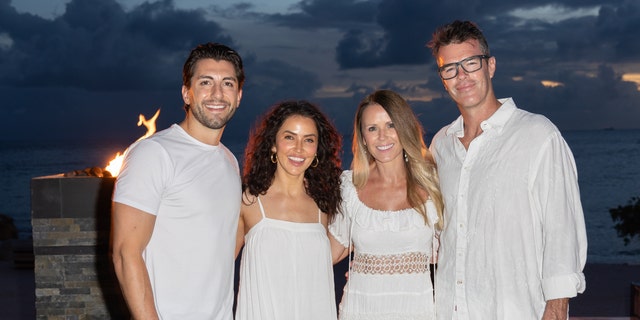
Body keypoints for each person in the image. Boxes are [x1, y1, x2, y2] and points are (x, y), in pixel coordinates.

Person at [427, 20, 588, 319]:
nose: (461, 75)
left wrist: (557, 305)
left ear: (490, 66)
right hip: (451, 310)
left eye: (470, 63)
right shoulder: (440, 145)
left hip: (516, 309)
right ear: (443, 79)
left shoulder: (538, 134)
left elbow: (561, 228)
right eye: (450, 68)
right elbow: (435, 232)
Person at [111, 42, 245, 319]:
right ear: (187, 93)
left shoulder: (230, 161)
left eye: (228, 84)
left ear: (239, 95)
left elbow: (224, 241)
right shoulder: (155, 153)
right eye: (206, 82)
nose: (217, 93)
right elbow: (126, 254)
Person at [329, 89, 444, 319]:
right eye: (372, 128)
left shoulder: (434, 183)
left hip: (419, 310)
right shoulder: (349, 188)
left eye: (391, 125)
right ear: (363, 137)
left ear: (405, 128)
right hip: (360, 309)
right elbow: (326, 255)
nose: (382, 137)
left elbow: (456, 250)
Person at [234, 100, 343, 320]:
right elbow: (218, 267)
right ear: (273, 144)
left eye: (308, 140)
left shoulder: (326, 205)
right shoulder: (247, 201)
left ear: (317, 150)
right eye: (289, 137)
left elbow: (363, 234)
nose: (299, 148)